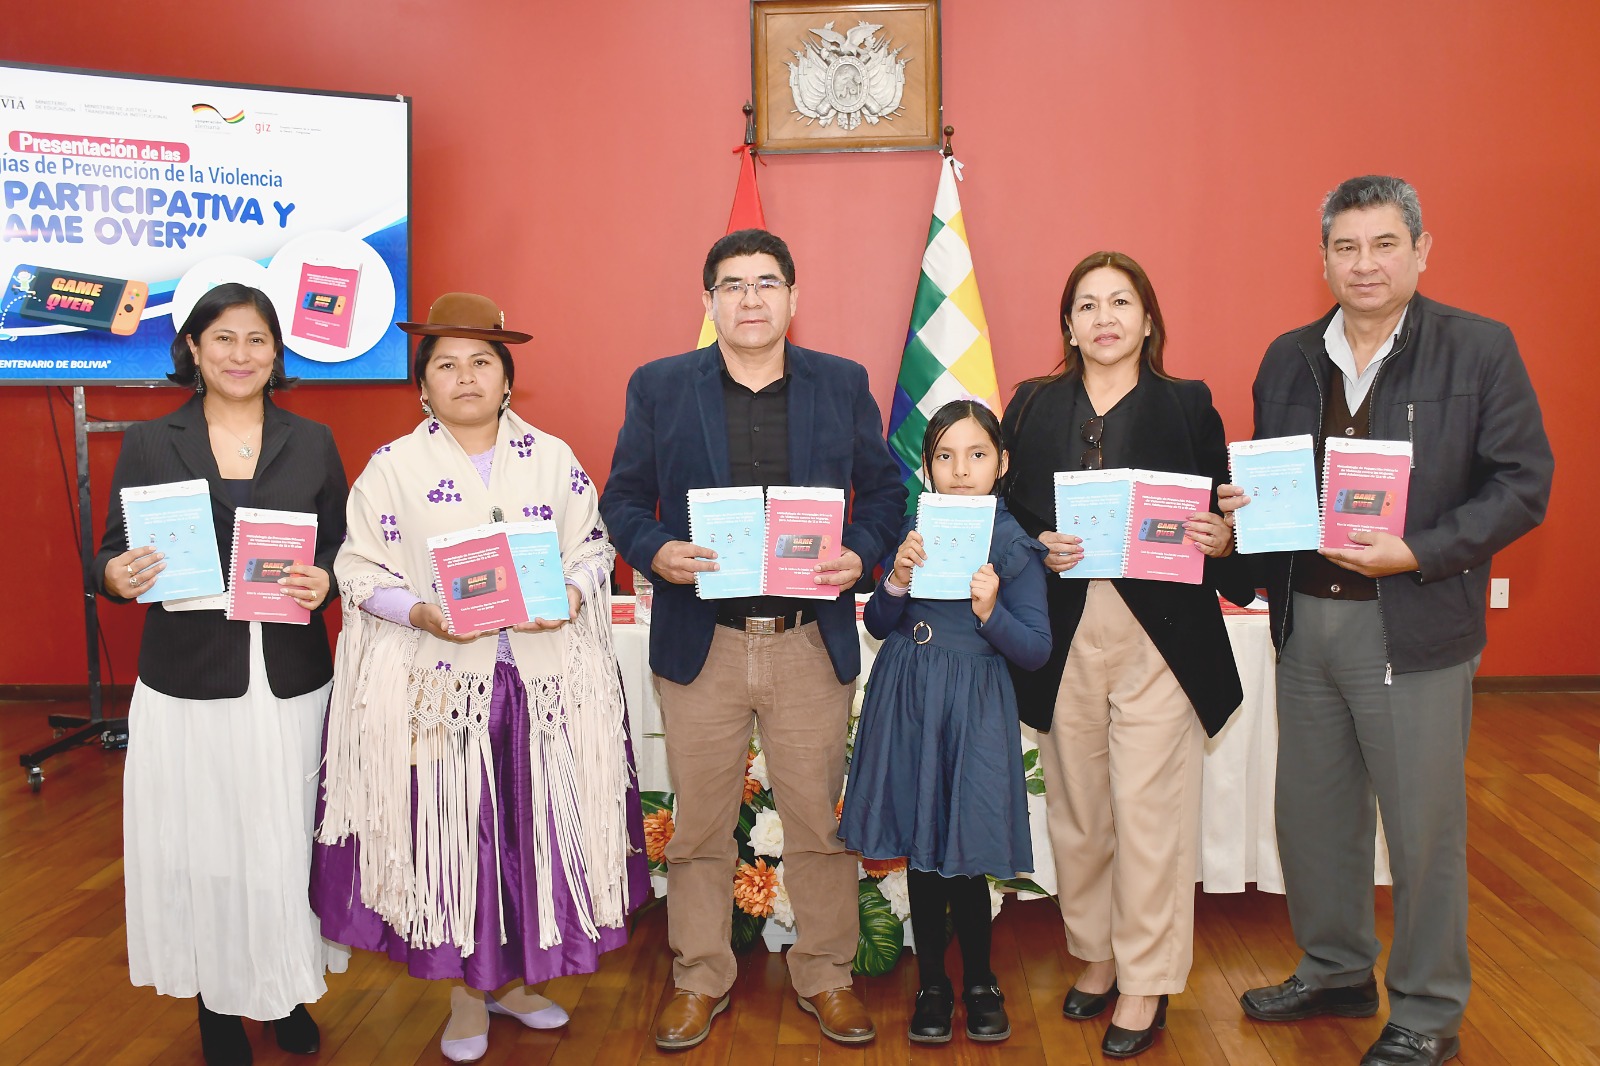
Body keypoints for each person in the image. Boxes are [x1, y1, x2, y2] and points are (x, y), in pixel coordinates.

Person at [1224, 176, 1553, 1066]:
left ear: (1421, 249)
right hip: (1307, 629)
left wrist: (1421, 550)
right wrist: (1236, 525)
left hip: (1413, 630)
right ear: (1323, 256)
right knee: (1313, 818)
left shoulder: (1479, 350)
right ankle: (1335, 968)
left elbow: (1525, 484)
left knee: (1422, 830)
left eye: (1383, 245)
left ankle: (1430, 1012)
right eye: (1346, 247)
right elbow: (1276, 502)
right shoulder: (1287, 358)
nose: (1364, 265)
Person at [311, 293, 646, 1064]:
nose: (466, 378)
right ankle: (467, 994)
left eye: (482, 363)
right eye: (446, 366)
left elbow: (593, 547)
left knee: (532, 839)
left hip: (543, 689)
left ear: (506, 379)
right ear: (423, 388)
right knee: (464, 842)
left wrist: (569, 590)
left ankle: (519, 982)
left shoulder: (553, 459)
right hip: (445, 693)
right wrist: (420, 611)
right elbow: (357, 568)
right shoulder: (392, 470)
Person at [600, 229, 905, 1050]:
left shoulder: (841, 385)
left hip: (808, 639)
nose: (751, 299)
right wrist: (654, 550)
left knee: (818, 822)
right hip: (706, 640)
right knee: (699, 826)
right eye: (732, 285)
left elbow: (885, 492)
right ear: (708, 302)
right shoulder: (661, 387)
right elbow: (622, 498)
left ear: (793, 299)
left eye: (767, 283)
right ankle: (700, 977)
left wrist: (862, 552)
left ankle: (826, 975)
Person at [1002, 251, 1255, 1059]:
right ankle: (1098, 955)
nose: (1104, 317)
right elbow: (1003, 512)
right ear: (1068, 325)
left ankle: (1147, 982)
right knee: (1079, 814)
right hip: (1061, 630)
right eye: (1087, 304)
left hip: (1159, 636)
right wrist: (1036, 540)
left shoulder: (1188, 404)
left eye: (1121, 302)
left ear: (1148, 319)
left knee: (1148, 817)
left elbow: (1222, 517)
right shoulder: (1034, 404)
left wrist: (1223, 539)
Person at [93, 282, 349, 1066]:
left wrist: (327, 581)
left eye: (257, 340)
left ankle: (289, 987)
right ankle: (216, 1003)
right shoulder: (148, 440)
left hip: (291, 681)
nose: (241, 355)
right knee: (207, 844)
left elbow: (344, 546)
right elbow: (104, 554)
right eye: (224, 339)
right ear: (195, 351)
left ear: (278, 354)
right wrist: (118, 576)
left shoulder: (313, 440)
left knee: (285, 844)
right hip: (188, 683)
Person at [839, 400, 1051, 1045]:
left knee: (965, 857)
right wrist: (897, 581)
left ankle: (981, 982)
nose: (961, 470)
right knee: (923, 857)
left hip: (976, 702)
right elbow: (876, 624)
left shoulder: (1014, 541)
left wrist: (991, 612)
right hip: (908, 693)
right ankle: (932, 983)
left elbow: (1037, 649)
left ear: (1002, 463)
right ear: (927, 467)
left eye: (977, 455)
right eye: (945, 456)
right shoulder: (915, 528)